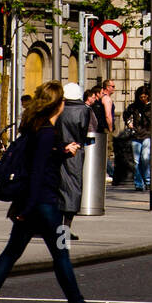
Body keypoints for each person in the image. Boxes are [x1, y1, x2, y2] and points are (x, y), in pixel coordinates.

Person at [0, 81, 108, 303]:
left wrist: (61, 151)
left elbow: (40, 157)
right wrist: (26, 209)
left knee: (12, 252)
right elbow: (36, 172)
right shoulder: (47, 132)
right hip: (45, 205)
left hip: (32, 204)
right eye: (63, 102)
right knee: (61, 255)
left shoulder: (36, 127)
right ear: (57, 104)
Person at [59, 83, 92, 243]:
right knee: (74, 188)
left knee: (59, 187)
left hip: (59, 150)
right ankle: (65, 228)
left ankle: (58, 227)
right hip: (75, 151)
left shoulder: (59, 108)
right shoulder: (84, 110)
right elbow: (83, 130)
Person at [124, 85, 151, 190]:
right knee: (136, 161)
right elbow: (126, 115)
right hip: (136, 135)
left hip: (148, 134)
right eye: (141, 97)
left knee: (145, 157)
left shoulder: (151, 106)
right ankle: (139, 182)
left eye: (145, 97)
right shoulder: (134, 106)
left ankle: (147, 180)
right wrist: (129, 122)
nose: (143, 99)